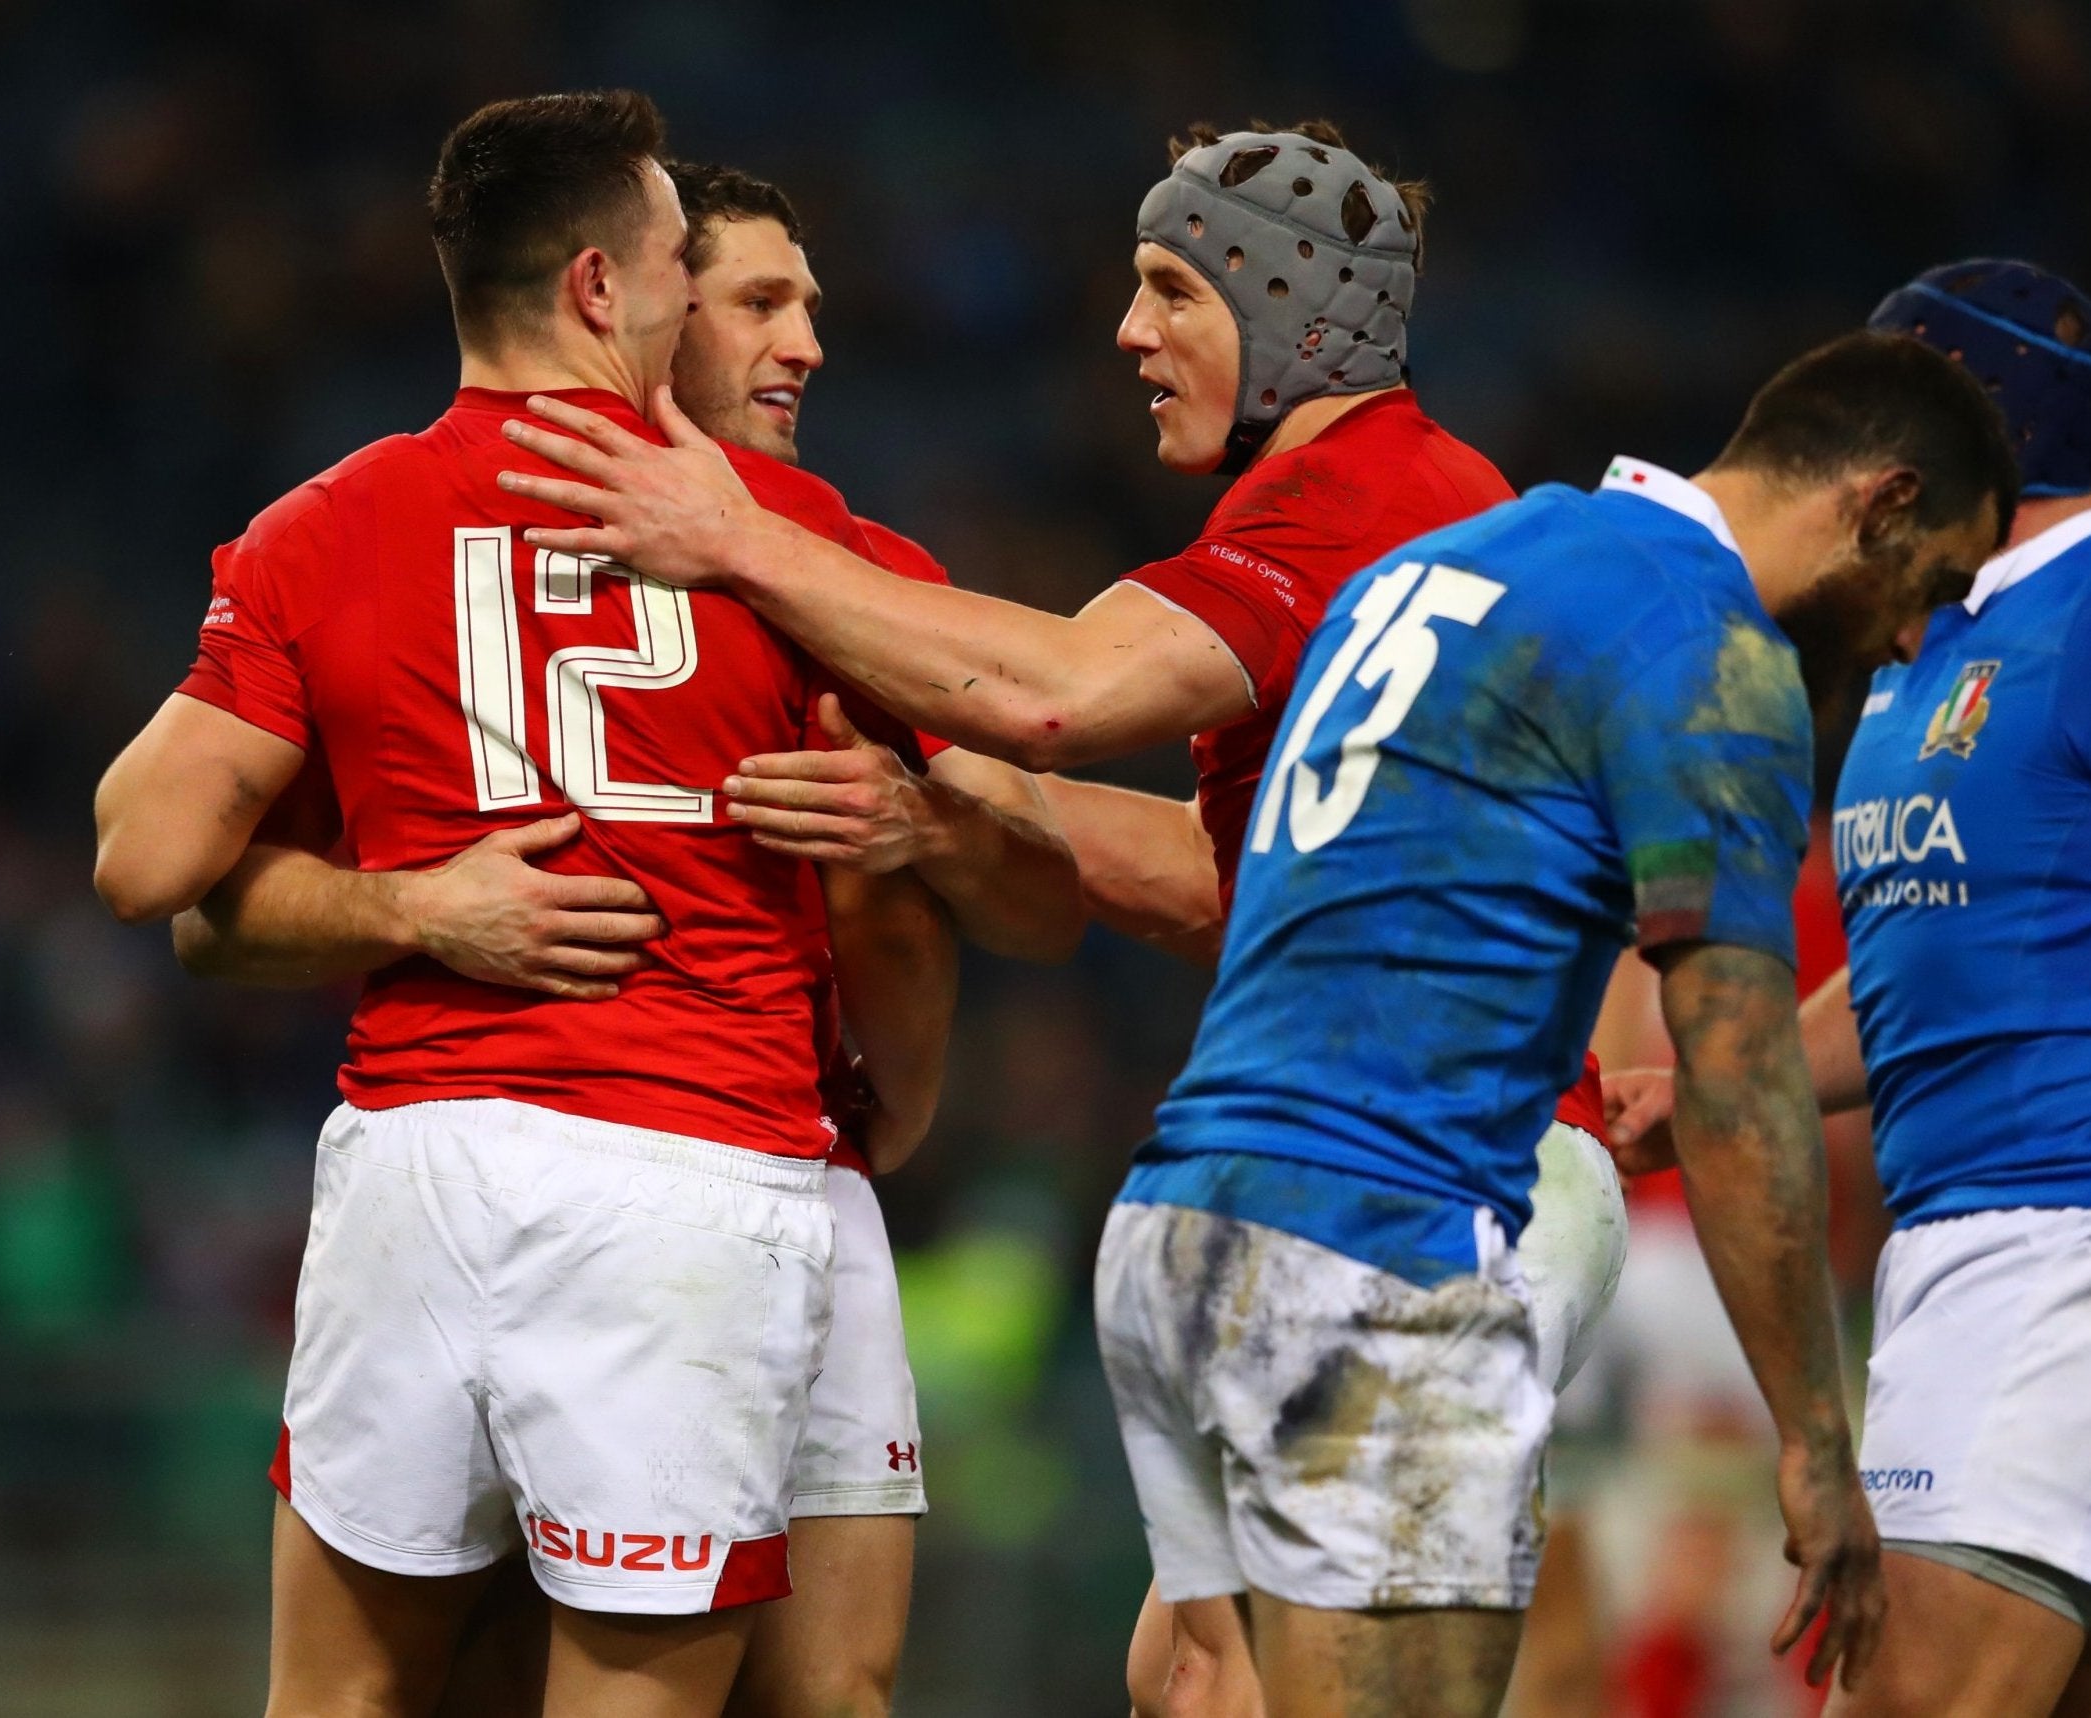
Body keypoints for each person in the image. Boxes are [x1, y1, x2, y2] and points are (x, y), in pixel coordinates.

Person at [488, 120, 1624, 1712]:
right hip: (1416, 1161)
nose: (1129, 332)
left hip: (1427, 1181)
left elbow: (1060, 694)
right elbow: (1238, 878)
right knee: (1193, 1676)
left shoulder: (1356, 512)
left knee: (1328, 1686)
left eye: (1171, 287)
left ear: (1288, 307)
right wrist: (939, 800)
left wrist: (741, 542)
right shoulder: (1373, 500)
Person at [172, 158, 1080, 1718]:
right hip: (708, 1169)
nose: (802, 343)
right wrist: (905, 1083)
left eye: (810, 305)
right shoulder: (830, 572)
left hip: (637, 1163)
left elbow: (182, 879)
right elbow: (998, 908)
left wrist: (922, 833)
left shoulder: (390, 530)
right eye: (753, 302)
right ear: (636, 309)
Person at [1103, 329, 2013, 1717]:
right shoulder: (1707, 647)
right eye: (1930, 584)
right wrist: (1816, 1444)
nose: (1908, 637)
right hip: (1379, 1253)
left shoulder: (1447, 563)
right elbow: (1732, 1066)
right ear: (1879, 502)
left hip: (1179, 1220)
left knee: (1205, 1691)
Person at [1608, 259, 2091, 1718]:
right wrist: (1717, 1079)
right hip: (1961, 1246)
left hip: (2050, 1239)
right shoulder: (1923, 637)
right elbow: (1927, 957)